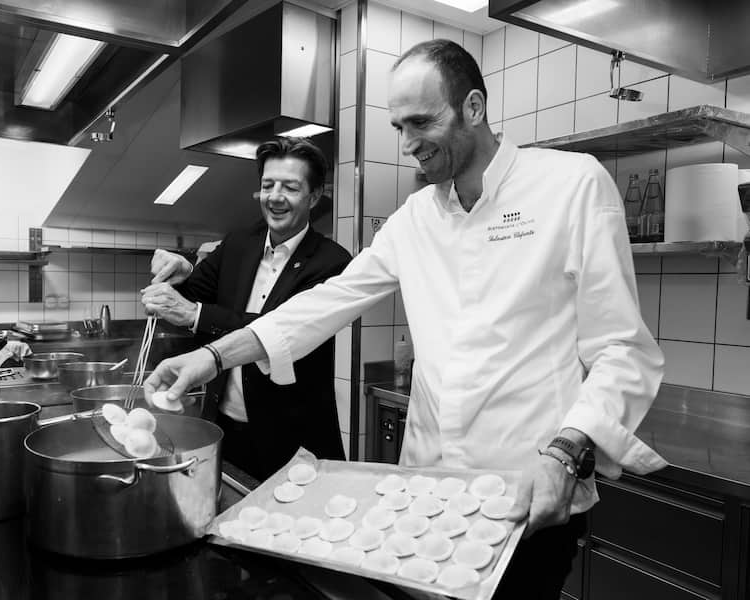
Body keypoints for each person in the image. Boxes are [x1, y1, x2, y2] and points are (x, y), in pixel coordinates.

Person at [145, 40, 666, 598]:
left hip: (531, 487)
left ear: (473, 107)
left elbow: (622, 350)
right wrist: (212, 355)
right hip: (431, 485)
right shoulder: (416, 216)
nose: (408, 143)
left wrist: (566, 453)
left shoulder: (572, 184)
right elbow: (327, 302)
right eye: (398, 126)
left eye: (422, 121)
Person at [140, 136, 351, 480]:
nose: (275, 197)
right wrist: (179, 272)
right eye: (268, 185)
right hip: (226, 426)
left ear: (314, 197)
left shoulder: (332, 262)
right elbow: (196, 290)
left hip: (292, 435)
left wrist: (196, 315)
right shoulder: (240, 243)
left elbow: (279, 329)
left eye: (290, 187)